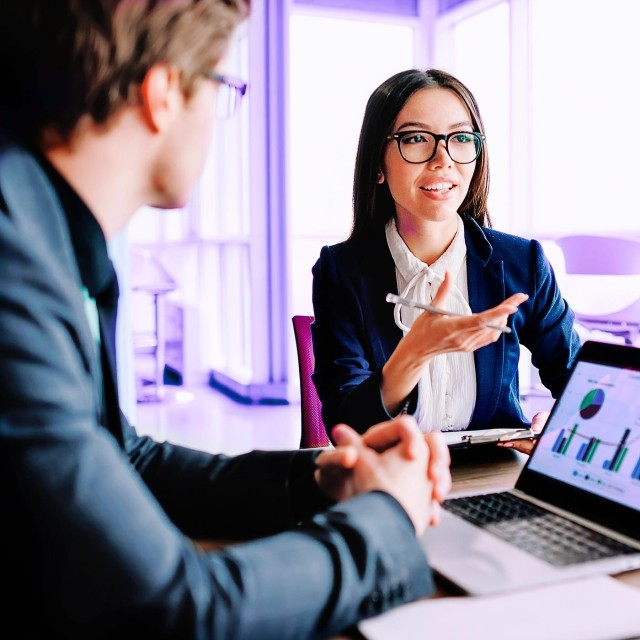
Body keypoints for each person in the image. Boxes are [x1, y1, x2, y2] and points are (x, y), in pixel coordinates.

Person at [0, 5, 452, 639]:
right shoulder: (14, 267)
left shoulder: (50, 238)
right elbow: (170, 610)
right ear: (162, 95)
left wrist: (317, 479)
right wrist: (386, 518)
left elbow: (122, 458)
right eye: (220, 86)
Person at [311, 68, 581, 451]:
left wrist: (560, 420)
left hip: (496, 477)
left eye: (460, 138)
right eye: (417, 138)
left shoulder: (524, 263)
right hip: (392, 481)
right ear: (377, 166)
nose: (443, 159)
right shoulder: (341, 272)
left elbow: (582, 379)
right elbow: (346, 425)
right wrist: (416, 351)